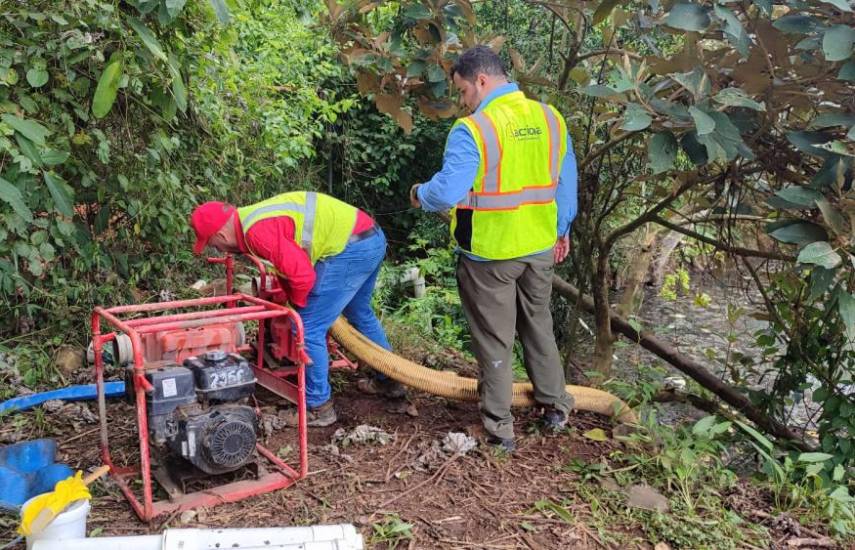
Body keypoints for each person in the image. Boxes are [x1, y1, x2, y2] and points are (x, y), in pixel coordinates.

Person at [409, 46, 577, 452]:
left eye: (464, 91)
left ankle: (500, 429)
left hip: (491, 255)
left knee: (494, 340)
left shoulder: (475, 129)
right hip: (538, 247)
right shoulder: (550, 119)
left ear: (481, 81)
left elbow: (447, 192)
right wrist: (561, 229)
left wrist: (419, 193)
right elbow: (565, 183)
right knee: (538, 326)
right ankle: (555, 406)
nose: (463, 101)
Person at [190, 191, 404, 426]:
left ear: (220, 234)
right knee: (359, 313)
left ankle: (318, 408)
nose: (220, 251)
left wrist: (295, 309)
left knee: (307, 327)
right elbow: (287, 266)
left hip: (349, 248)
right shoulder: (250, 221)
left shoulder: (256, 233)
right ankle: (389, 380)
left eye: (213, 245)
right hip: (369, 238)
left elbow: (303, 277)